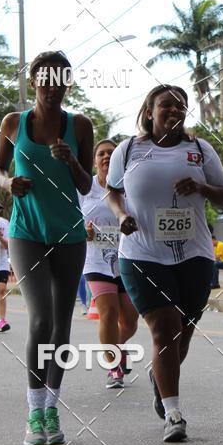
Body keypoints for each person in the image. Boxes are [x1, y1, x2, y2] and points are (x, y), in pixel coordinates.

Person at [106, 85, 223, 442]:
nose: (174, 111)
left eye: (181, 106)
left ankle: (158, 375)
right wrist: (121, 215)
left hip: (194, 255)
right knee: (164, 329)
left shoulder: (200, 149)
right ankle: (173, 414)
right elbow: (112, 191)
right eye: (166, 105)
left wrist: (202, 188)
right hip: (142, 254)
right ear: (149, 112)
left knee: (181, 336)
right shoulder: (128, 149)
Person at [0, 50, 93, 445]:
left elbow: (86, 184)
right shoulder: (13, 123)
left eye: (61, 80)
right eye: (46, 79)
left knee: (61, 324)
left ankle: (52, 407)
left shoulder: (80, 125)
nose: (53, 87)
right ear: (33, 81)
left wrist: (71, 162)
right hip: (27, 232)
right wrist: (8, 184)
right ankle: (34, 412)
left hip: (68, 233)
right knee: (40, 319)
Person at [79, 139, 139, 390]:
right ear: (94, 161)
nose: (106, 157)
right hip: (96, 260)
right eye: (101, 153)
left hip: (129, 257)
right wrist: (83, 231)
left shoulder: (131, 185)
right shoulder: (85, 188)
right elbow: (72, 220)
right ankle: (113, 366)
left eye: (111, 153)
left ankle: (117, 347)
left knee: (131, 320)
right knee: (109, 313)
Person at [0, 204, 11, 332]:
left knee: (1, 290)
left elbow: (8, 246)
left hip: (1, 263)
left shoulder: (4, 223)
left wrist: (0, 238)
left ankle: (1, 320)